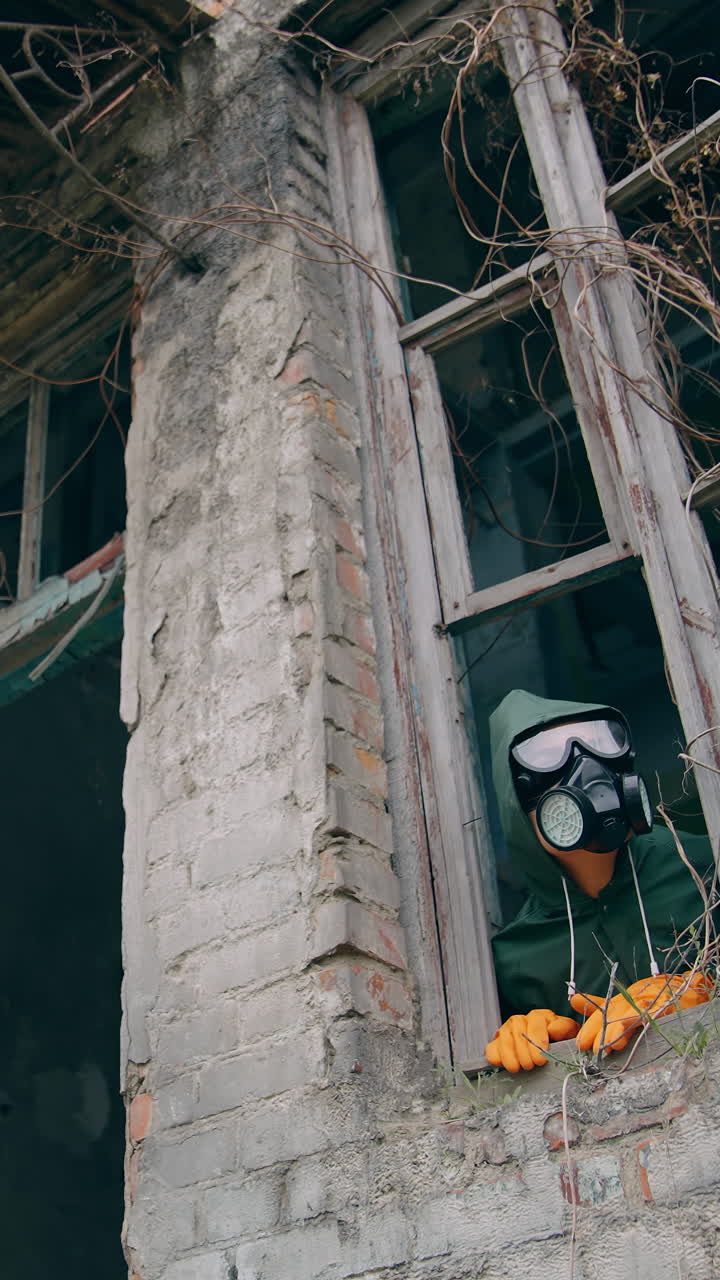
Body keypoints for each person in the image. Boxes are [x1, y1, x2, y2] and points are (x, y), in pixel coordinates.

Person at [485, 690, 716, 1073]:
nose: (590, 772)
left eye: (600, 743)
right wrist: (546, 1036)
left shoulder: (704, 866)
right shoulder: (517, 958)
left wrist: (703, 988)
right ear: (515, 806)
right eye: (546, 755)